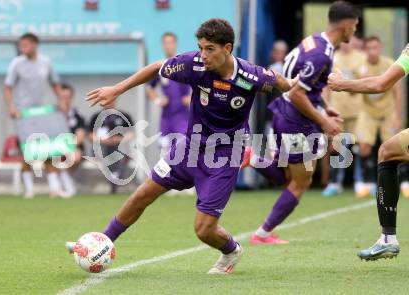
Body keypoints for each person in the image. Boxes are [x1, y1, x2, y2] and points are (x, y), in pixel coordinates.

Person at [66, 18, 296, 274]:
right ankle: (101, 243)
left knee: (204, 230)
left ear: (227, 48)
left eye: (210, 48)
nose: (203, 55)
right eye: (200, 47)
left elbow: (281, 83)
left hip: (224, 157)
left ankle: (231, 250)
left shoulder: (251, 76)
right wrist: (118, 88)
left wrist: (294, 88)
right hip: (190, 148)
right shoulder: (194, 65)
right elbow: (156, 67)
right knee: (143, 194)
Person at [241, 1, 360, 244]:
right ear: (346, 25)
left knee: (290, 178)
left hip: (287, 114)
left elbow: (307, 82)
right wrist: (324, 121)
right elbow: (297, 93)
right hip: (296, 121)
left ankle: (255, 160)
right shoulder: (321, 54)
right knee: (300, 181)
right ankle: (262, 233)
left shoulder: (315, 40)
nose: (355, 31)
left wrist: (326, 106)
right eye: (355, 26)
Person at [328, 42, 409, 260]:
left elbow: (382, 84)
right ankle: (387, 240)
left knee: (386, 151)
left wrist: (342, 84)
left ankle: (388, 239)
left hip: (384, 113)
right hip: (370, 114)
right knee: (388, 151)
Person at [4, 32, 67, 199]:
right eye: (20, 45)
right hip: (24, 113)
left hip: (44, 112)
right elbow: (8, 87)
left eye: (25, 45)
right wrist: (11, 107)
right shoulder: (16, 64)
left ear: (35, 45)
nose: (22, 48)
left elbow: (55, 83)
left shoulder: (46, 62)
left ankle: (54, 188)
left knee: (49, 149)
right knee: (28, 151)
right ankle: (29, 189)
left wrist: (61, 101)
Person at [352, 36, 403, 198]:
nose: (372, 51)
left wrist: (398, 117)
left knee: (395, 148)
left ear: (380, 48)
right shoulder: (359, 68)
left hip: (387, 113)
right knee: (364, 147)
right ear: (365, 50)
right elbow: (354, 90)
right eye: (369, 48)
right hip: (368, 113)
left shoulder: (389, 64)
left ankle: (403, 182)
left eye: (375, 47)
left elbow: (399, 92)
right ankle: (369, 183)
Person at [321, 37, 366, 197]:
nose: (348, 43)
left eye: (351, 40)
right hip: (338, 111)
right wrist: (326, 106)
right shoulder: (333, 58)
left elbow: (366, 82)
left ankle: (360, 182)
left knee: (360, 147)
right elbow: (325, 85)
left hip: (358, 111)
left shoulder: (361, 58)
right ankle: (335, 182)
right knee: (336, 147)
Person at [146, 32, 191, 150]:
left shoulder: (184, 64)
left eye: (171, 42)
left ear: (175, 44)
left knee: (182, 149)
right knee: (164, 149)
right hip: (166, 116)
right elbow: (149, 87)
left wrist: (193, 98)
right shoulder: (160, 66)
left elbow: (201, 83)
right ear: (162, 45)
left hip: (182, 114)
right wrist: (157, 100)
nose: (168, 45)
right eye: (166, 43)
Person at [88, 102, 134, 193]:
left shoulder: (123, 116)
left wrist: (118, 139)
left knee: (122, 149)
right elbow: (90, 135)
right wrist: (103, 140)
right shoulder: (96, 117)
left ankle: (115, 175)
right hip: (102, 147)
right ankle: (114, 176)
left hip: (119, 147)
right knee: (102, 150)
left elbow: (131, 134)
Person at [58, 83, 87, 197]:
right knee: (52, 157)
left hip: (72, 146)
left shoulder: (76, 114)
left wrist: (69, 147)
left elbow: (80, 134)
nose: (65, 99)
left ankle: (64, 176)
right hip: (55, 146)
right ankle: (60, 184)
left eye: (68, 97)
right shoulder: (53, 114)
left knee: (75, 157)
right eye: (63, 97)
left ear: (71, 97)